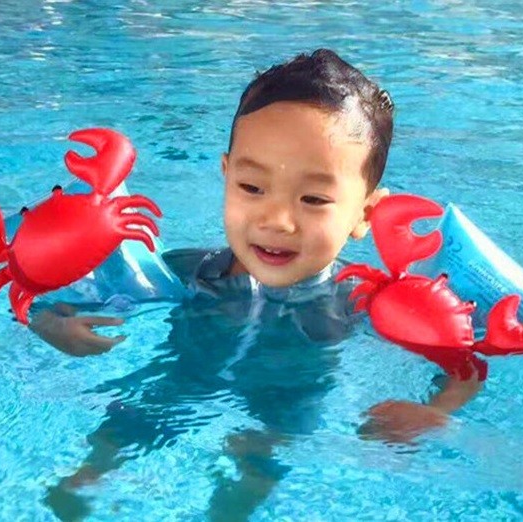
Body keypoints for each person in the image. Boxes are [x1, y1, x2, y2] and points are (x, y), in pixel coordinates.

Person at [31, 49, 482, 521]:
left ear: (366, 214)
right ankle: (81, 487)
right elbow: (62, 298)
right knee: (129, 420)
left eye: (313, 198)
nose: (277, 220)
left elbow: (462, 364)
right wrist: (53, 325)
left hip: (285, 402)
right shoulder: (189, 270)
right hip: (186, 375)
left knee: (258, 459)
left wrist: (434, 411)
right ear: (226, 176)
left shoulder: (358, 300)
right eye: (252, 188)